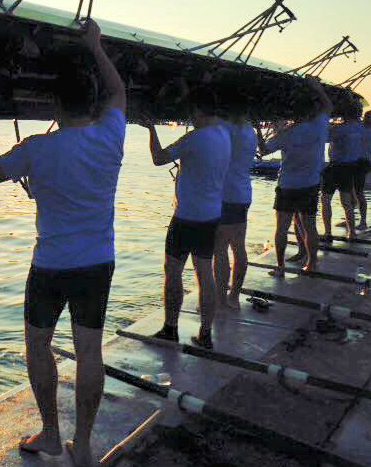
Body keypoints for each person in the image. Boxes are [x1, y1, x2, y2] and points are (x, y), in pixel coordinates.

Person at [0, 19, 125, 467]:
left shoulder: (38, 148)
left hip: (51, 265)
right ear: (93, 103)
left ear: (55, 104)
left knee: (38, 345)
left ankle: (52, 435)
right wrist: (95, 45)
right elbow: (118, 91)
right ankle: (85, 446)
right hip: (98, 262)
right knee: (89, 351)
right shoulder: (111, 137)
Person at [140, 84, 231, 349]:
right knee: (205, 274)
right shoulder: (224, 134)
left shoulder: (195, 138)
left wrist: (151, 129)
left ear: (198, 111)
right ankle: (206, 333)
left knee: (173, 272)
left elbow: (159, 158)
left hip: (186, 218)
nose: (190, 118)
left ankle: (170, 328)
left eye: (191, 112)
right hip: (211, 215)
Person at [257, 77, 332, 276]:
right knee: (310, 226)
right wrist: (317, 88)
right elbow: (328, 106)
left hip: (287, 185)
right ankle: (312, 264)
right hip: (310, 184)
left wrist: (258, 130)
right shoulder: (319, 126)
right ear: (311, 112)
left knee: (281, 228)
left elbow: (263, 151)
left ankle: (280, 267)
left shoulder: (286, 135)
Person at [214, 112, 257, 309]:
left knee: (220, 248)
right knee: (239, 247)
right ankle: (234, 296)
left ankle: (221, 298)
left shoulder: (225, 127)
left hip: (226, 194)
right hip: (243, 193)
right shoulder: (250, 131)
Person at [321, 102, 363, 241]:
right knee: (346, 201)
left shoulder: (340, 129)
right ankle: (352, 232)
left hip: (336, 166)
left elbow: (324, 138)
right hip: (350, 167)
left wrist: (327, 122)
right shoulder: (360, 128)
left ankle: (328, 233)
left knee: (325, 200)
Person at [357, 109, 371, 229]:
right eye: (365, 116)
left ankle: (363, 221)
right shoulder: (361, 127)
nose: (364, 118)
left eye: (368, 117)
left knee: (359, 192)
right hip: (354, 161)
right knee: (350, 192)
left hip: (362, 162)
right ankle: (350, 218)